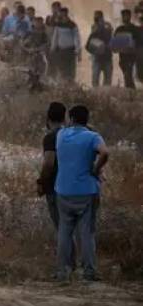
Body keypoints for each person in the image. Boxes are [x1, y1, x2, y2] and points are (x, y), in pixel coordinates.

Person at [55, 105, 108, 282]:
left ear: (71, 119)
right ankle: (89, 272)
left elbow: (67, 129)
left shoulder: (61, 135)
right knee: (86, 233)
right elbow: (105, 152)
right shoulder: (93, 137)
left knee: (64, 232)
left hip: (63, 189)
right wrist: (96, 169)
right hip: (86, 190)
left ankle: (63, 271)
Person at [37, 102, 66, 230]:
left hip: (55, 188)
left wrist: (41, 182)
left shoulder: (51, 137)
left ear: (48, 118)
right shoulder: (70, 135)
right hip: (72, 187)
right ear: (64, 118)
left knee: (61, 229)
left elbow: (49, 163)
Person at [50, 7, 81, 83]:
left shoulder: (72, 25)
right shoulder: (58, 25)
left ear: (66, 13)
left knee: (71, 70)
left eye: (62, 13)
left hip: (70, 51)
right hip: (61, 51)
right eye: (60, 13)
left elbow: (76, 38)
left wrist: (78, 50)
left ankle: (71, 84)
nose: (61, 15)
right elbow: (55, 37)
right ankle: (63, 84)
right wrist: (53, 48)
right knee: (62, 69)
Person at [86, 11, 113, 87]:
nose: (95, 18)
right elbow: (91, 40)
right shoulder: (94, 26)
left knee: (107, 79)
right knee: (95, 78)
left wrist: (102, 26)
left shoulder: (107, 25)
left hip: (106, 55)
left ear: (102, 17)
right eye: (95, 17)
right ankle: (96, 92)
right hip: (97, 56)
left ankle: (106, 92)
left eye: (97, 17)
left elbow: (109, 35)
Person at [113, 9, 139, 89]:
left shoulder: (134, 29)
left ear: (130, 17)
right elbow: (114, 45)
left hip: (131, 57)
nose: (124, 17)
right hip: (122, 58)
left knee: (128, 75)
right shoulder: (119, 29)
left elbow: (138, 43)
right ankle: (131, 91)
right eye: (123, 16)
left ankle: (131, 91)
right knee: (127, 76)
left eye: (126, 16)